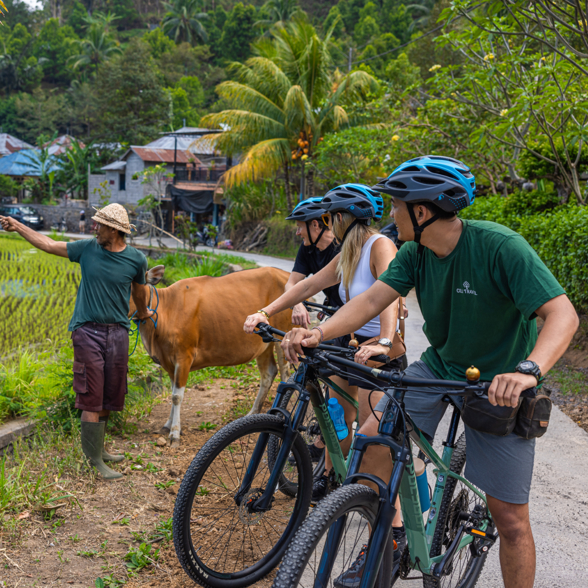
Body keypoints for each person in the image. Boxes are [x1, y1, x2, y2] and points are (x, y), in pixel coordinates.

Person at [279, 156, 579, 588]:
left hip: (500, 384)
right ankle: (389, 535)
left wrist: (529, 371)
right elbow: (369, 302)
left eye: (396, 205)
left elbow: (562, 315)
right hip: (438, 367)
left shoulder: (500, 246)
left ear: (422, 211)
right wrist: (319, 332)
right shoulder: (415, 253)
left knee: (510, 520)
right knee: (372, 446)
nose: (389, 214)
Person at [244, 184, 407, 540]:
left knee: (373, 435)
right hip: (348, 345)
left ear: (343, 218)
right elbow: (307, 286)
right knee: (337, 417)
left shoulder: (380, 246)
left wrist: (382, 341)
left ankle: (395, 525)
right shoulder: (349, 251)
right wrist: (265, 310)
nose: (330, 224)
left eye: (332, 217)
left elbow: (391, 295)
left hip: (379, 349)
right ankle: (343, 487)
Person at [0, 204, 154, 481]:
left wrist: (143, 314)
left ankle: (100, 450)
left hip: (118, 332)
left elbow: (140, 292)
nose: (94, 227)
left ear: (114, 229)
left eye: (99, 225)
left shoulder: (136, 260)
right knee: (91, 398)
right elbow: (47, 244)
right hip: (88, 332)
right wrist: (18, 226)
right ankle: (92, 461)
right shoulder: (86, 249)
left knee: (110, 394)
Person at [285, 197, 344, 329]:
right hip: (333, 315)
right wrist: (297, 304)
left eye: (299, 227)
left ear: (315, 225)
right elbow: (291, 283)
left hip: (354, 316)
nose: (297, 233)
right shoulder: (308, 248)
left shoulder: (343, 247)